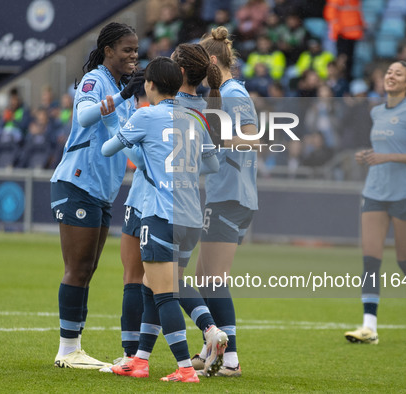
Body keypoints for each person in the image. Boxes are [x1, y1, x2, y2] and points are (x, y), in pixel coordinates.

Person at [100, 43, 228, 375]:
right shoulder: (197, 115)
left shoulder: (148, 113)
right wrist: (183, 171)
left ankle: (186, 359)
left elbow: (111, 149)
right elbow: (213, 165)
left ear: (153, 84)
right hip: (191, 213)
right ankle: (141, 358)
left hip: (155, 209)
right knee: (160, 284)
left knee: (159, 290)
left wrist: (128, 130)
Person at [49, 22, 144, 370]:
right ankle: (67, 349)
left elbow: (127, 138)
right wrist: (120, 96)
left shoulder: (125, 89)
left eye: (136, 50)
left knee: (88, 268)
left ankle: (73, 347)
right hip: (77, 183)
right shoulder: (95, 81)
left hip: (101, 190)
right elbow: (84, 115)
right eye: (127, 50)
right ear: (108, 51)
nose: (133, 56)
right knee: (77, 268)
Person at [345, 61, 406, 345]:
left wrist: (386, 157)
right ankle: (368, 327)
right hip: (375, 190)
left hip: (405, 193)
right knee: (370, 260)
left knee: (405, 260)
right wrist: (369, 156)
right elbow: (386, 149)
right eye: (388, 72)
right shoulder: (377, 111)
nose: (390, 76)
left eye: (398, 73)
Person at [194, 26, 260, 377]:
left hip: (230, 196)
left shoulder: (233, 93)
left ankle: (230, 359)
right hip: (226, 194)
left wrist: (217, 141)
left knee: (214, 279)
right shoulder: (228, 93)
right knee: (204, 279)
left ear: (214, 61)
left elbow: (254, 139)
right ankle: (211, 349)